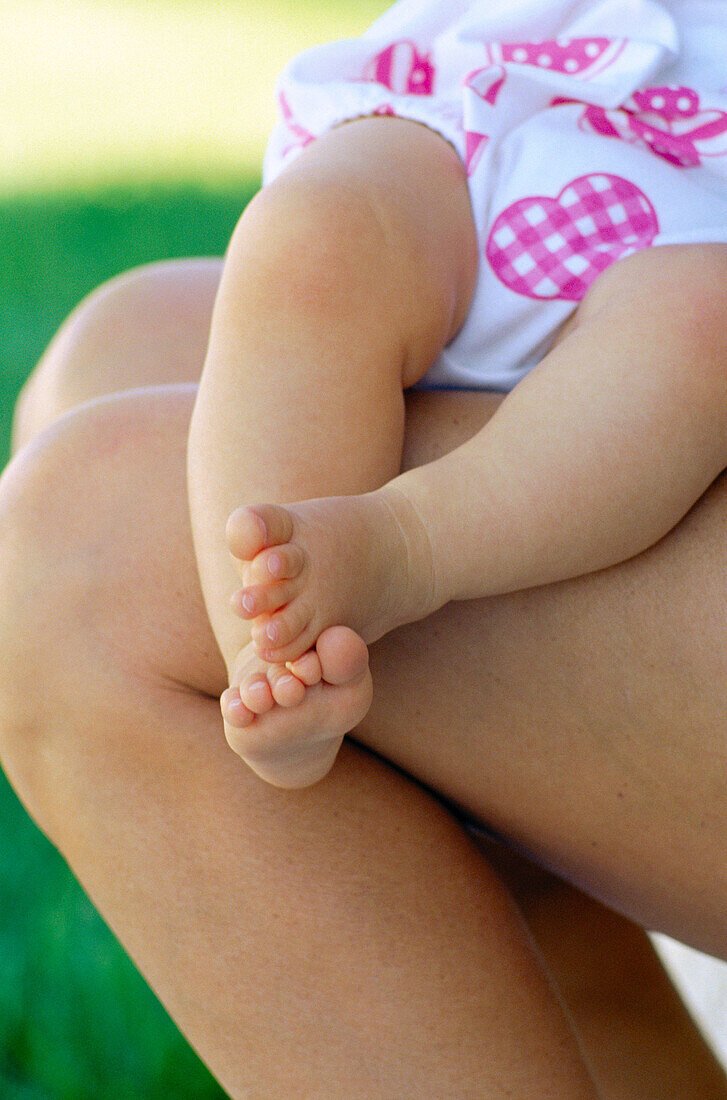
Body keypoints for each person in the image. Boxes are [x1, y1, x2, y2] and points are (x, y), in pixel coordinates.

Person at [1, 0, 727, 1095]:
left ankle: (411, 544)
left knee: (86, 545)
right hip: (570, 88)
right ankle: (277, 669)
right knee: (124, 348)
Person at [185, 0, 727, 789]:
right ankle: (271, 664)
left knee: (701, 327)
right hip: (488, 78)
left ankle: (410, 543)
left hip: (697, 201)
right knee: (311, 237)